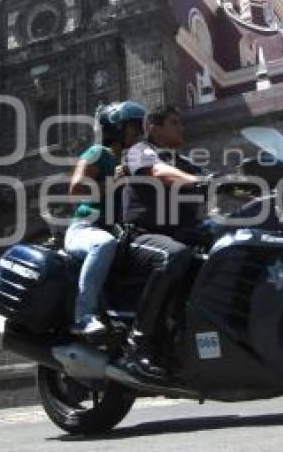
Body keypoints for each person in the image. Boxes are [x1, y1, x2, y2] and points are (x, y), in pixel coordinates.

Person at [121, 105, 208, 379]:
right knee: (175, 256)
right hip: (142, 236)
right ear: (153, 127)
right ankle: (138, 341)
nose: (181, 128)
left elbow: (209, 175)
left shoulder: (182, 161)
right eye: (174, 122)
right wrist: (198, 181)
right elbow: (159, 171)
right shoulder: (139, 152)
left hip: (180, 234)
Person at [65, 101, 146, 336]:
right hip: (86, 228)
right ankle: (83, 317)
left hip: (117, 230)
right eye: (133, 127)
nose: (139, 133)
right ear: (117, 128)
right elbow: (76, 188)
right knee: (103, 244)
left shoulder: (134, 161)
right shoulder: (98, 153)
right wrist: (114, 181)